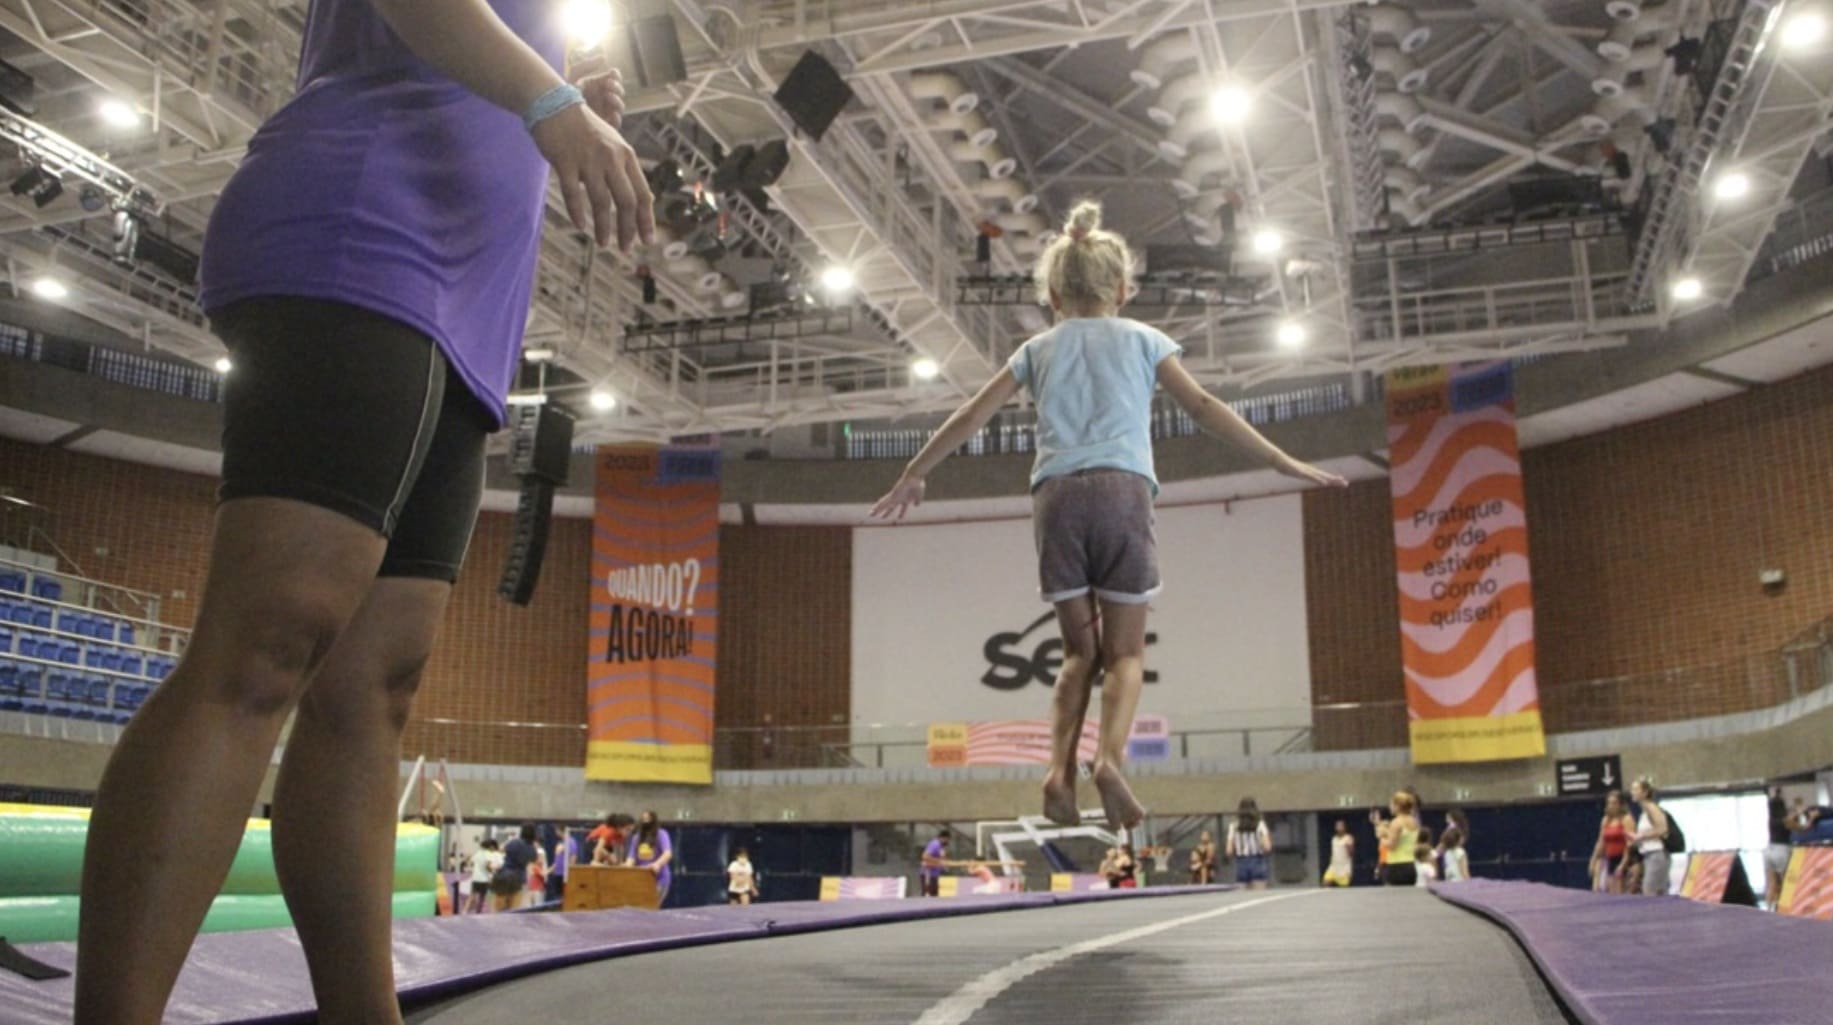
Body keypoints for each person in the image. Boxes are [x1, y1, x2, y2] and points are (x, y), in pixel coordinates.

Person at [70, 0, 656, 1016]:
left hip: (470, 310)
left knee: (371, 692)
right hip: (363, 222)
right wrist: (550, 96)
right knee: (263, 647)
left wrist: (553, 77)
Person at [869, 201, 1344, 832]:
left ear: (1052, 297)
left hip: (1056, 497)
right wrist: (1284, 461)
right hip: (1123, 493)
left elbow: (970, 416)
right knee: (1123, 654)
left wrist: (914, 471)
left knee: (1076, 653)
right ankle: (1109, 760)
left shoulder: (1036, 349)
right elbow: (1202, 406)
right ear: (1122, 289)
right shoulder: (1145, 340)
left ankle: (1057, 773)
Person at [1625, 777, 1671, 896]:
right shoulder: (1644, 812)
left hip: (1656, 854)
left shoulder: (1651, 807)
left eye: (1635, 789)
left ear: (1645, 793)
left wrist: (1640, 836)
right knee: (1657, 891)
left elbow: (1663, 829)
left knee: (1649, 890)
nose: (1632, 792)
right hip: (1648, 854)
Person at [1590, 790, 1636, 894]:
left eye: (1614, 803)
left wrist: (1623, 864)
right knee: (1611, 890)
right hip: (1611, 858)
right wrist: (1594, 859)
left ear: (1621, 805)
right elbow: (1601, 841)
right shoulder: (1606, 820)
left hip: (1625, 858)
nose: (1611, 806)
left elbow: (1629, 844)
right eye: (1609, 803)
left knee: (1621, 889)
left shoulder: (1626, 819)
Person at [627, 810, 674, 905]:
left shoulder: (661, 834)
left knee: (651, 906)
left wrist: (657, 864)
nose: (645, 822)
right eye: (643, 819)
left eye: (648, 819)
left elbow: (667, 853)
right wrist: (626, 868)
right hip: (641, 878)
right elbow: (631, 857)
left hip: (659, 878)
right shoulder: (637, 838)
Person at [1227, 797, 1273, 891]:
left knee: (1242, 896)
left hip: (1241, 862)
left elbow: (1229, 851)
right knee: (1259, 897)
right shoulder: (1260, 825)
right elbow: (1268, 847)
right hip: (1257, 861)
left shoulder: (1233, 826)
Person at [492, 824, 539, 913]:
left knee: (498, 907)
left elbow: (502, 849)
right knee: (514, 908)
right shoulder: (532, 848)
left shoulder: (515, 842)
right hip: (519, 878)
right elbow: (534, 860)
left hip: (505, 875)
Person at [1380, 791, 1421, 887]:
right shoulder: (1414, 821)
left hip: (1397, 865)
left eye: (1391, 804)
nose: (1390, 807)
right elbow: (1404, 839)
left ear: (1397, 806)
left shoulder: (1396, 822)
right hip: (1411, 864)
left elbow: (1392, 846)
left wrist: (1382, 839)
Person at [465, 839, 500, 915]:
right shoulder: (488, 854)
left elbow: (469, 861)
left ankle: (464, 911)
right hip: (484, 879)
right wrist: (493, 870)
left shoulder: (477, 853)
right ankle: (478, 913)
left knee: (471, 896)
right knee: (482, 897)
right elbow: (488, 866)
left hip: (475, 878)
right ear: (490, 846)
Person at [1322, 819, 1355, 887]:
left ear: (1344, 827)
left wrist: (1348, 847)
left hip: (1344, 868)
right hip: (1334, 867)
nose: (1339, 827)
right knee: (1326, 882)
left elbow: (1352, 854)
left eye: (1341, 826)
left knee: (1344, 887)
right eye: (1337, 826)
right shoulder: (1334, 839)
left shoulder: (1348, 838)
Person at [920, 829, 951, 898]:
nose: (948, 841)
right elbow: (925, 856)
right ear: (943, 838)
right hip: (928, 874)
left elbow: (942, 857)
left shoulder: (941, 847)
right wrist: (939, 861)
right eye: (947, 839)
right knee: (929, 894)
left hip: (934, 874)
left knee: (935, 894)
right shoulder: (935, 844)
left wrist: (944, 865)